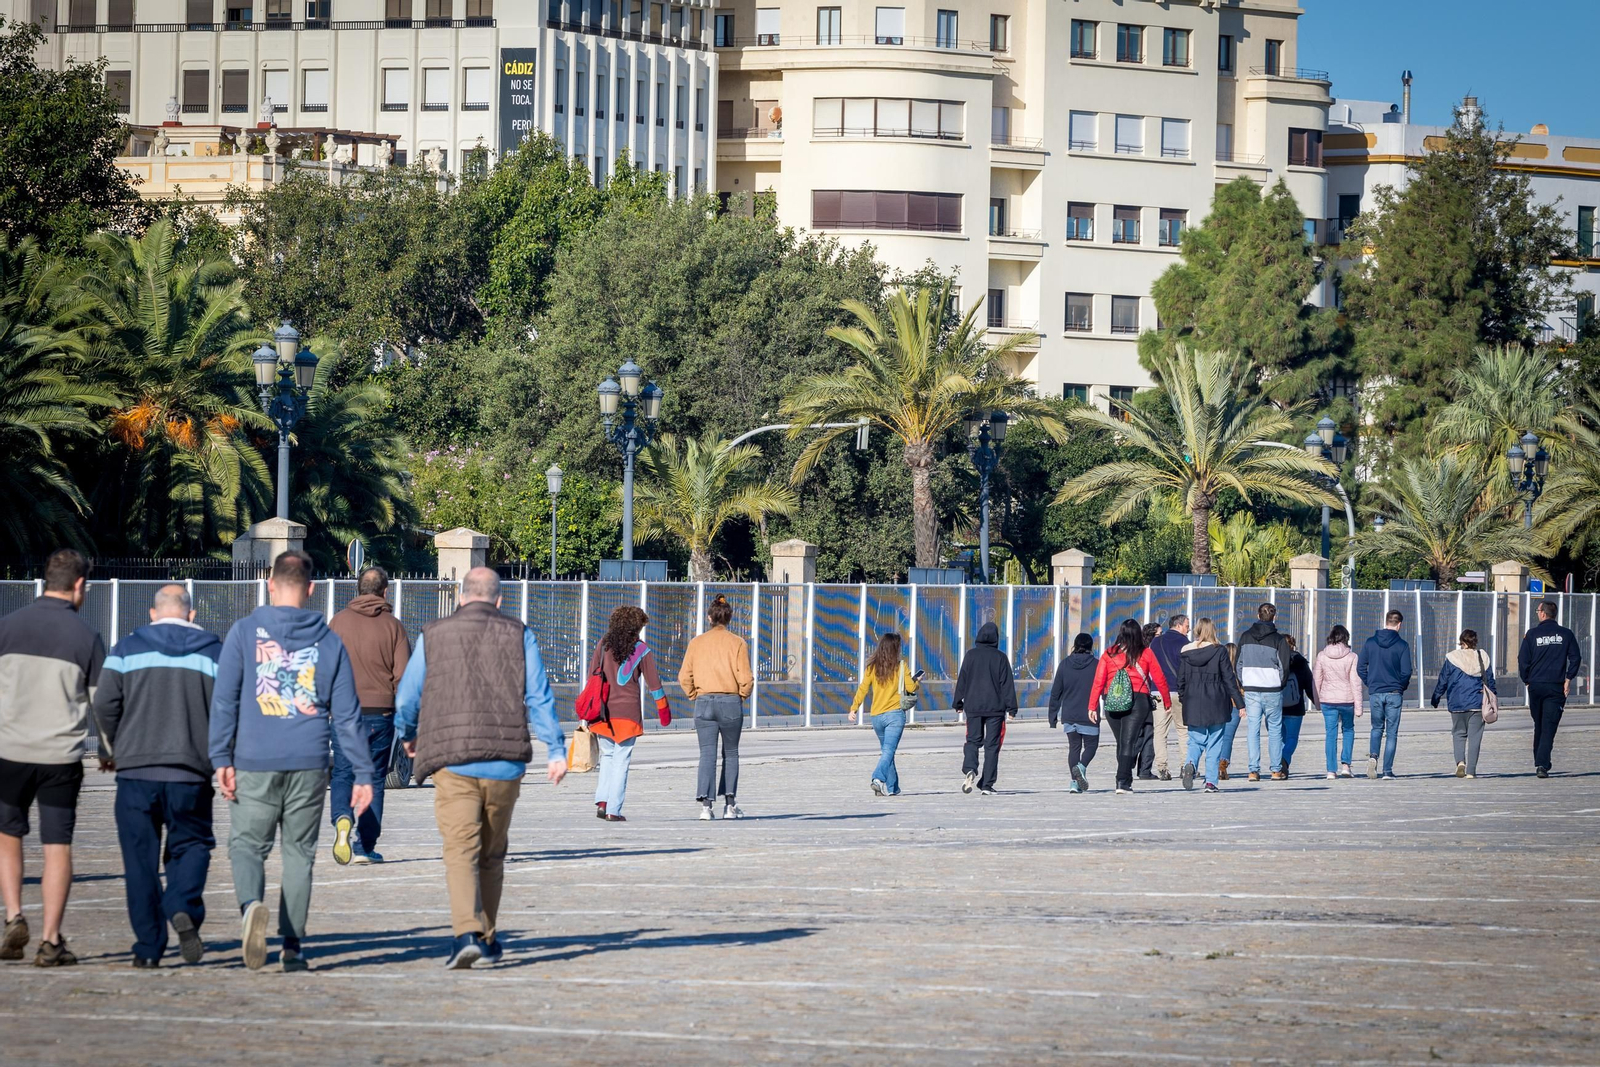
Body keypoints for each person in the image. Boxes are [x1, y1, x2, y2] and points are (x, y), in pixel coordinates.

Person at [209, 549, 373, 973]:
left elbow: (224, 700)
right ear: (312, 590)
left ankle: (251, 908)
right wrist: (363, 772)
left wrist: (220, 756)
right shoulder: (329, 642)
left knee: (246, 844)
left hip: (254, 758)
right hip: (309, 759)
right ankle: (293, 946)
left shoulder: (244, 634)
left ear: (269, 583)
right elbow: (349, 715)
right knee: (299, 853)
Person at [394, 567, 566, 969]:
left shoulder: (433, 634)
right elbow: (539, 696)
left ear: (459, 597)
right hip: (505, 763)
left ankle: (466, 934)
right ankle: (487, 939)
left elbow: (407, 696)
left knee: (460, 849)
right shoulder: (519, 633)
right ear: (500, 600)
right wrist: (555, 750)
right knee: (492, 854)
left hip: (453, 761)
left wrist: (407, 734)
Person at [92, 585, 222, 968]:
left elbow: (103, 702)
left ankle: (149, 948)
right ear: (191, 615)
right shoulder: (215, 653)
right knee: (193, 844)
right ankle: (181, 904)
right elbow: (228, 708)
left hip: (136, 773)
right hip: (191, 772)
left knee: (139, 861)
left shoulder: (126, 649)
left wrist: (110, 749)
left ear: (152, 614)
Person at [0, 549, 105, 967]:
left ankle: (12, 916)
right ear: (78, 584)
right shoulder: (86, 637)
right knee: (56, 845)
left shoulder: (7, 628)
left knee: (9, 835)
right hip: (60, 757)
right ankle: (49, 940)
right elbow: (102, 704)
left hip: (9, 752)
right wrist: (111, 752)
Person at [327, 565, 411, 865]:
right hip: (381, 714)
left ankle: (341, 819)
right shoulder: (394, 627)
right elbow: (403, 677)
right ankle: (365, 846)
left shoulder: (337, 623)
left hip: (344, 712)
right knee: (374, 778)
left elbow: (325, 669)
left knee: (343, 773)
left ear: (358, 589)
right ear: (385, 592)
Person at [587, 605, 671, 821]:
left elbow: (591, 677)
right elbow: (654, 683)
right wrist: (663, 710)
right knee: (621, 760)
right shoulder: (642, 649)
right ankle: (614, 810)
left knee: (607, 756)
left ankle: (603, 801)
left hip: (602, 712)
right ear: (636, 628)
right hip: (628, 713)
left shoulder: (603, 644)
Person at [678, 594, 753, 819]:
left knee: (706, 754)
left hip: (704, 702)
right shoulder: (738, 643)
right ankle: (729, 804)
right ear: (729, 618)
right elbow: (747, 679)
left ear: (709, 617)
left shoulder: (696, 643)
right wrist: (741, 696)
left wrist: (694, 695)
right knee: (731, 752)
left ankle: (706, 806)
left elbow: (684, 676)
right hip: (730, 701)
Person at [1088, 619, 1170, 795]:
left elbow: (1098, 681)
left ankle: (1125, 778)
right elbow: (1159, 677)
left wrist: (1092, 706)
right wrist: (1167, 701)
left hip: (1113, 701)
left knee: (1122, 742)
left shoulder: (1109, 654)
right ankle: (1123, 782)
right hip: (1138, 700)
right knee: (1128, 742)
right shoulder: (1146, 653)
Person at [1177, 617, 1244, 793]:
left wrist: (1185, 698)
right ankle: (1210, 782)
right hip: (1217, 701)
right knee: (1215, 742)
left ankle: (1190, 764)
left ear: (1197, 631)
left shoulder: (1186, 652)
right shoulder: (1220, 651)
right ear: (1212, 630)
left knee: (1195, 740)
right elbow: (1229, 679)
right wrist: (1239, 703)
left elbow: (1181, 680)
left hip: (1193, 701)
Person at [1518, 600, 1582, 778]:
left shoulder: (1532, 634)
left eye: (1537, 611)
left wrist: (1527, 680)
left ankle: (1540, 761)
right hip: (1556, 686)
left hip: (1536, 686)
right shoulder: (1566, 634)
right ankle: (1542, 763)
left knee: (1539, 724)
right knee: (1548, 725)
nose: (1537, 613)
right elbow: (1576, 658)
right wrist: (1568, 678)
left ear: (1543, 614)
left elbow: (1523, 660)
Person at [953, 621, 1019, 795]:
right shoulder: (1000, 657)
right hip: (995, 708)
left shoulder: (971, 655)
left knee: (973, 740)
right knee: (992, 746)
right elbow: (1007, 685)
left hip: (973, 706)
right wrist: (1012, 708)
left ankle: (970, 768)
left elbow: (963, 680)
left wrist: (958, 702)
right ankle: (987, 784)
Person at [848, 633, 917, 797]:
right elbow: (911, 688)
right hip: (894, 715)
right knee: (888, 751)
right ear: (896, 648)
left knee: (888, 751)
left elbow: (863, 688)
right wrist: (917, 681)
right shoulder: (901, 666)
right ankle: (878, 779)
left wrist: (854, 708)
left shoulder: (872, 667)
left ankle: (892, 788)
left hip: (876, 716)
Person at [1236, 603, 1294, 782]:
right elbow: (1284, 666)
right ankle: (1276, 770)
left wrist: (1243, 683)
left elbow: (1238, 664)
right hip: (1273, 689)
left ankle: (1253, 770)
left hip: (1252, 688)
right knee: (1275, 729)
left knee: (1253, 729)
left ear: (1257, 615)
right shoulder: (1279, 640)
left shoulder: (1245, 637)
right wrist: (1279, 684)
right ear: (1274, 617)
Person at [1431, 629, 1496, 779]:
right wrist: (1493, 698)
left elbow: (1443, 680)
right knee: (1475, 738)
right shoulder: (1482, 657)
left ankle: (1460, 762)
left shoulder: (1453, 658)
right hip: (1477, 702)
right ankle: (1471, 771)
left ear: (1462, 642)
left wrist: (1436, 697)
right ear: (1475, 641)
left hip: (1457, 703)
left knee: (1459, 734)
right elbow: (1490, 680)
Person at [1358, 609, 1413, 780]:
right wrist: (1400, 687)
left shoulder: (1370, 643)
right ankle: (1387, 771)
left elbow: (1360, 667)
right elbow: (1407, 671)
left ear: (1386, 621)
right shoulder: (1402, 645)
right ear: (1399, 625)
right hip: (1394, 692)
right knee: (1391, 733)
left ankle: (1373, 756)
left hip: (1376, 692)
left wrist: (1371, 683)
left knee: (1376, 728)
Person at [1048, 634, 1099, 794]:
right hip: (1089, 713)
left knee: (1074, 748)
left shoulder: (1064, 664)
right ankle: (1081, 767)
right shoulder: (1097, 665)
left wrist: (1052, 716)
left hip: (1069, 713)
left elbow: (1056, 692)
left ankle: (1074, 783)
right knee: (1091, 746)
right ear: (1091, 646)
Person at [1312, 625, 1363, 779]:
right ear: (1345, 638)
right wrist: (1359, 707)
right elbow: (1356, 682)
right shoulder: (1352, 656)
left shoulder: (1322, 655)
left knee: (1330, 734)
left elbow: (1316, 680)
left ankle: (1331, 771)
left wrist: (1317, 702)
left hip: (1328, 700)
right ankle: (1346, 766)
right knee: (1348, 730)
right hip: (1347, 700)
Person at [1148, 614, 1191, 781]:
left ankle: (1162, 768)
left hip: (1158, 691)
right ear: (1179, 625)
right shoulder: (1185, 644)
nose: (1188, 629)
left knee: (1160, 731)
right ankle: (1184, 766)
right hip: (1179, 692)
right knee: (1183, 730)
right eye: (1187, 625)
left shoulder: (1155, 642)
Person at [1277, 635, 1318, 777]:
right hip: (1295, 707)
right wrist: (1316, 702)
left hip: (1276, 706)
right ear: (1293, 646)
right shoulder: (1301, 662)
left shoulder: (1274, 661)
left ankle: (1278, 765)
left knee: (1278, 737)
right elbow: (1309, 684)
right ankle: (1284, 760)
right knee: (1292, 738)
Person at [1134, 622, 1164, 779]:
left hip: (1137, 695)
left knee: (1141, 733)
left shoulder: (1136, 650)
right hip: (1147, 695)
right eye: (1158, 634)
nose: (1161, 637)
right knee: (1147, 732)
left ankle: (1133, 765)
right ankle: (1143, 769)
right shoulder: (1150, 651)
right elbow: (1156, 675)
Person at [1218, 642, 1242, 780]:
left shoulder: (1219, 669)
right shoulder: (1239, 670)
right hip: (1234, 706)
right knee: (1228, 738)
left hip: (1219, 705)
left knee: (1216, 737)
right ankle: (1223, 765)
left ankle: (1214, 763)